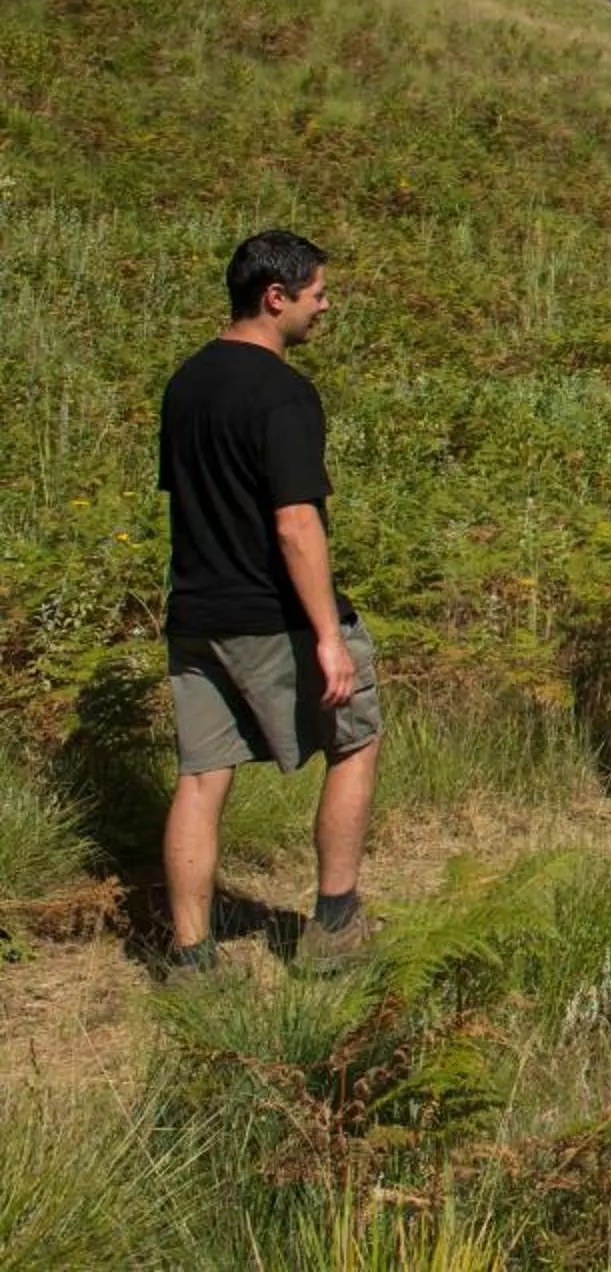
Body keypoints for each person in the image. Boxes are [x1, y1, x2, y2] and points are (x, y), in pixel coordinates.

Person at [156, 230, 383, 977]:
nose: (327, 305)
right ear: (274, 297)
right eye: (317, 293)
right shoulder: (283, 392)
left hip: (195, 613)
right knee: (354, 740)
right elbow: (295, 522)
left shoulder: (185, 383)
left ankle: (192, 957)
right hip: (269, 615)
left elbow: (188, 502)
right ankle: (335, 923)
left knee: (200, 777)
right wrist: (326, 634)